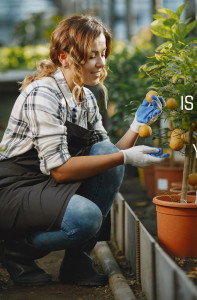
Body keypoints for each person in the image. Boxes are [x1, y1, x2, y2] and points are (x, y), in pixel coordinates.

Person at [0, 15, 168, 287]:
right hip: (15, 189)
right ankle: (17, 250)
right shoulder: (43, 94)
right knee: (86, 218)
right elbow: (61, 171)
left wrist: (137, 126)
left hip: (47, 185)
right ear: (64, 57)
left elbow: (109, 156)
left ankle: (77, 263)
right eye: (91, 56)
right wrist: (125, 157)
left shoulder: (86, 97)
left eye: (102, 54)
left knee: (103, 150)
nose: (101, 63)